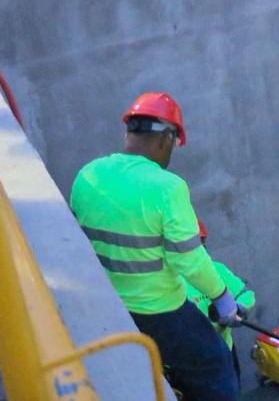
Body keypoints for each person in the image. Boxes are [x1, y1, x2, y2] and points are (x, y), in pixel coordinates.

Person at [69, 93, 241, 400]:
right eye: (173, 144)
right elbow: (188, 259)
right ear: (167, 138)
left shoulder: (88, 175)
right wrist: (222, 296)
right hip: (160, 311)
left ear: (130, 132)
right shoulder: (167, 187)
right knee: (215, 367)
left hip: (110, 308)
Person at [184, 221, 255, 383]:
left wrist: (239, 308)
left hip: (225, 350)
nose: (199, 249)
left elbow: (244, 294)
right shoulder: (173, 283)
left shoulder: (217, 269)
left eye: (200, 243)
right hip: (195, 362)